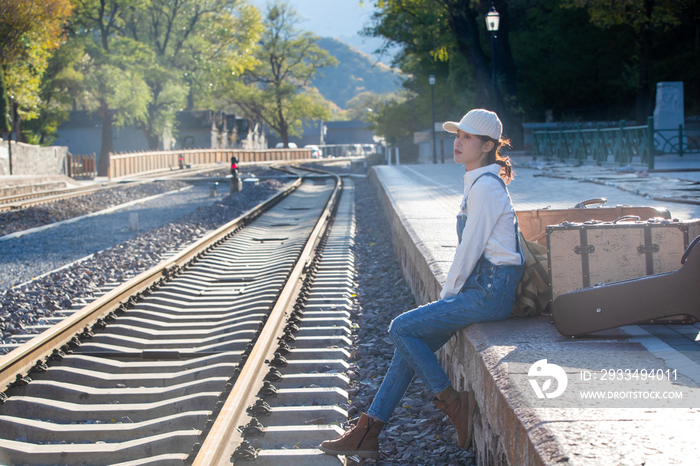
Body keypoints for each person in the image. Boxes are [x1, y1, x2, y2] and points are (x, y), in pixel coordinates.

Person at [319, 109, 525, 460]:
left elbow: (470, 250)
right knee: (407, 348)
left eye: (468, 137)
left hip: (491, 291)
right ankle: (368, 430)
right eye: (457, 135)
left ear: (488, 145)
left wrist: (444, 300)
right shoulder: (478, 181)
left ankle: (454, 404)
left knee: (401, 327)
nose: (458, 142)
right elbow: (471, 252)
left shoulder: (486, 188)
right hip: (483, 287)